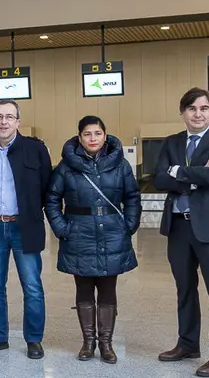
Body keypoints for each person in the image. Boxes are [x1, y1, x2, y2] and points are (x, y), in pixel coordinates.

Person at [153, 88, 209, 377]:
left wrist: (179, 172)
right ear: (183, 112)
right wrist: (195, 174)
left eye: (203, 108)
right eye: (192, 108)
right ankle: (188, 343)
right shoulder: (172, 142)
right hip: (178, 226)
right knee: (185, 290)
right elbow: (159, 178)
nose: (198, 114)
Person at [45, 115, 141, 364]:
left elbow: (132, 196)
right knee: (84, 290)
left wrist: (129, 225)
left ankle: (106, 344)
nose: (93, 138)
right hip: (79, 234)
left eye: (97, 133)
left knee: (108, 291)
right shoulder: (66, 167)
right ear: (79, 138)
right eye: (87, 134)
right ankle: (88, 342)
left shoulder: (121, 165)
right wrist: (62, 228)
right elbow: (52, 198)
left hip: (112, 233)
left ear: (105, 135)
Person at [0, 100, 52, 360]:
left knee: (32, 286)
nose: (4, 122)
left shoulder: (35, 149)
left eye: (9, 117)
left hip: (23, 227)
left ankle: (34, 340)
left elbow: (46, 188)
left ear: (18, 121)